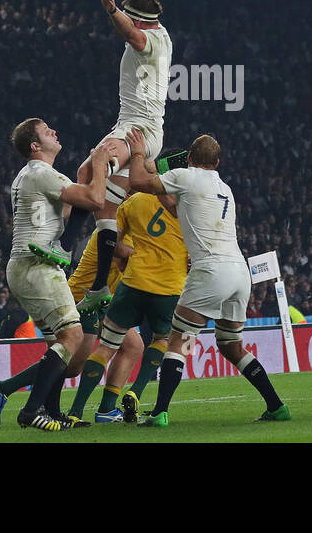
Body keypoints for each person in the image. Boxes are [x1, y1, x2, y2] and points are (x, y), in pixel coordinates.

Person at [123, 130, 289, 427]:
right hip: (239, 273)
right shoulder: (224, 187)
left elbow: (136, 183)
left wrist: (138, 155)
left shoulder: (187, 176)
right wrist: (160, 186)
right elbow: (176, 209)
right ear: (218, 161)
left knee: (179, 342)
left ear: (188, 159)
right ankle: (276, 406)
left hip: (211, 271)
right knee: (230, 345)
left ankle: (160, 412)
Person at [49, 0, 181, 314]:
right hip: (137, 126)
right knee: (90, 185)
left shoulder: (147, 41)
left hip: (138, 129)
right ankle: (96, 287)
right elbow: (145, 11)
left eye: (130, 12)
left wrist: (110, 11)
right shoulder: (161, 31)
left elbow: (131, 32)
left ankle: (63, 245)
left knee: (99, 161)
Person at [3, 117, 116, 431]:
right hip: (38, 264)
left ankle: (52, 409)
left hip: (27, 264)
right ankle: (31, 410)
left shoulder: (34, 176)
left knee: (57, 341)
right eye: (46, 130)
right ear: (35, 145)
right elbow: (95, 200)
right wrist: (100, 163)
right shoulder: (41, 173)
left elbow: (73, 207)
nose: (55, 130)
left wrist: (93, 174)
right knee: (73, 337)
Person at [71, 190, 188, 423]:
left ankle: (98, 410)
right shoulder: (112, 232)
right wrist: (160, 257)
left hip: (112, 295)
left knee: (128, 346)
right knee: (68, 364)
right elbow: (120, 255)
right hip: (82, 298)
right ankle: (8, 389)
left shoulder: (131, 221)